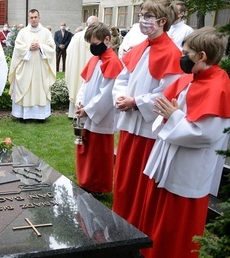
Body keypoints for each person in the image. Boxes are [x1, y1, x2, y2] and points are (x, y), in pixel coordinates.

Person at [139, 27, 230, 258]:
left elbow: (207, 134)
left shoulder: (218, 86)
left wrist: (174, 117)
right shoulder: (192, 78)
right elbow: (168, 107)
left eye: (187, 53)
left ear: (202, 56)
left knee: (176, 224)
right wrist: (170, 115)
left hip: (189, 166)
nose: (182, 57)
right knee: (157, 214)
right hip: (168, 155)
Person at [112, 0, 183, 229]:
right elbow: (123, 76)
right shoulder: (142, 46)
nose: (142, 20)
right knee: (124, 177)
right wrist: (121, 96)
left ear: (162, 21)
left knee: (138, 180)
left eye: (148, 16)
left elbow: (169, 91)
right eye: (141, 14)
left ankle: (135, 224)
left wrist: (136, 102)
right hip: (129, 123)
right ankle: (119, 218)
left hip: (147, 128)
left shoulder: (172, 52)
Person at [75, 22, 123, 194]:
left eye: (95, 44)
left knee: (98, 153)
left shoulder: (113, 62)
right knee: (86, 149)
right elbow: (85, 83)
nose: (93, 48)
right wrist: (80, 102)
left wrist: (88, 109)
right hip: (87, 111)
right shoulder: (95, 59)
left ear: (107, 39)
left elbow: (107, 94)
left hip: (101, 115)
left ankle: (97, 185)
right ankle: (85, 180)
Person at [8, 9, 56, 123]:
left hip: (40, 68)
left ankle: (40, 116)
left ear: (39, 18)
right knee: (25, 88)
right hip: (26, 66)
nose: (33, 19)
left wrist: (40, 46)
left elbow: (52, 48)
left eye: (35, 17)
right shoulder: (23, 32)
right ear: (28, 18)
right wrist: (28, 47)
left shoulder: (46, 32)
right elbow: (18, 47)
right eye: (31, 17)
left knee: (39, 89)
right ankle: (23, 115)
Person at [65, 16, 98, 118]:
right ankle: (87, 111)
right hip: (90, 69)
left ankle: (73, 113)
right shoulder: (96, 37)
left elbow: (68, 52)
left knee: (77, 85)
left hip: (77, 68)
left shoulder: (77, 36)